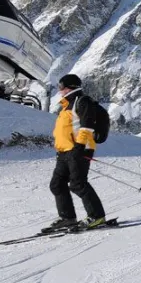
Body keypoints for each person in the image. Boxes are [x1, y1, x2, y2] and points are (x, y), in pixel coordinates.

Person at [46, 74, 106, 231]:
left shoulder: (82, 101)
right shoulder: (67, 104)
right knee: (57, 184)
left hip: (79, 149)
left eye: (61, 87)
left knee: (78, 184)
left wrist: (79, 147)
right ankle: (67, 218)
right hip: (65, 152)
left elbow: (87, 126)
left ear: (70, 87)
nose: (59, 90)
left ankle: (97, 216)